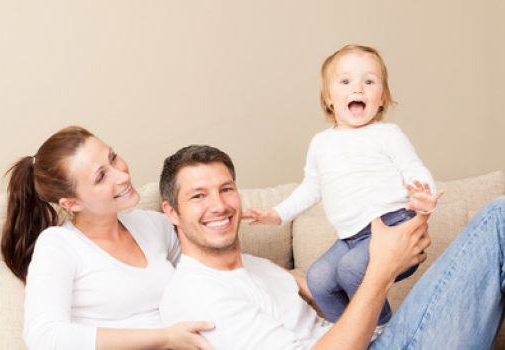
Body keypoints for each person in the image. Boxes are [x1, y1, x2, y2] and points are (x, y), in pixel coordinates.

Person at [159, 144, 504, 349]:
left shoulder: (255, 265)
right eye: (198, 196)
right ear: (171, 211)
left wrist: (402, 240)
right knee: (498, 220)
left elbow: (330, 292)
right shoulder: (197, 295)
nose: (219, 206)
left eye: (226, 189)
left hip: (380, 340)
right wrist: (381, 271)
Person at [243, 45, 444, 331]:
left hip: (393, 226)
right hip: (350, 238)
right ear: (328, 98)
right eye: (346, 81)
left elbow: (413, 167)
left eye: (369, 81)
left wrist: (424, 195)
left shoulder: (387, 135)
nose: (358, 89)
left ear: (382, 97)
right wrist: (277, 214)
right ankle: (348, 336)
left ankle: (383, 333)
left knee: (351, 270)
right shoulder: (321, 143)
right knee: (319, 279)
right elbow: (312, 186)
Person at [0, 126, 214, 350]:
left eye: (112, 158)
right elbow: (44, 337)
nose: (122, 176)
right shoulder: (58, 245)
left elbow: (205, 272)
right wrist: (165, 338)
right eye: (101, 177)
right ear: (72, 203)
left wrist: (219, 219)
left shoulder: (151, 225)